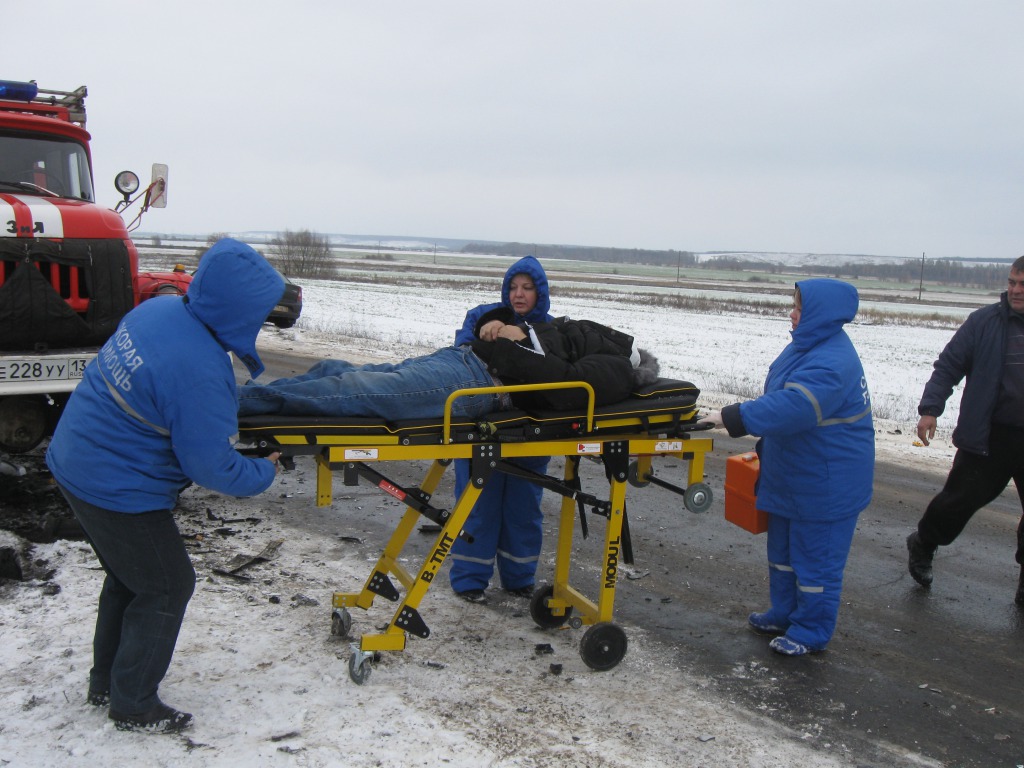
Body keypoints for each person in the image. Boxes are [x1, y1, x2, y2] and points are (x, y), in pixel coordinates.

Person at [46, 238, 285, 733]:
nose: (260, 323)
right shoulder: (199, 367)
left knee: (131, 578)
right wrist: (266, 471)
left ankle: (107, 682)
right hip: (114, 486)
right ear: (238, 309)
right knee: (168, 585)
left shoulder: (160, 311)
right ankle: (132, 702)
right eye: (258, 313)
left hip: (76, 460)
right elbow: (212, 467)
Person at [700, 279, 874, 656]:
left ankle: (811, 630)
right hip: (793, 474)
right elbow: (778, 397)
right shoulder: (803, 347)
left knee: (816, 564)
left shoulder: (833, 361)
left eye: (799, 308)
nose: (791, 314)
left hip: (826, 483)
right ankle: (784, 612)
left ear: (819, 315)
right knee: (782, 554)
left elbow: (794, 406)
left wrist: (731, 417)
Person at [237, 311, 658, 419]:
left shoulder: (618, 367)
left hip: (479, 381)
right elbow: (543, 348)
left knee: (359, 390)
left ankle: (237, 403)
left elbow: (566, 388)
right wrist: (506, 327)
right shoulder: (583, 335)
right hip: (464, 362)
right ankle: (239, 399)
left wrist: (517, 346)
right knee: (344, 374)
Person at [907, 255, 1024, 606]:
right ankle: (924, 541)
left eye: (1023, 285)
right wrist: (930, 409)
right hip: (990, 435)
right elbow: (949, 366)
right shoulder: (984, 323)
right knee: (958, 502)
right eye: (1012, 283)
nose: (1016, 291)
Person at [448, 257, 553, 604]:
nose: (519, 294)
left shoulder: (550, 329)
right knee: (477, 505)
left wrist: (526, 336)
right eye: (513, 287)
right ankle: (469, 581)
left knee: (524, 509)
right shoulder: (482, 314)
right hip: (482, 430)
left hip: (529, 431)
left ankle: (520, 578)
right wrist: (487, 333)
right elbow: (460, 359)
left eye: (527, 288)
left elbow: (556, 371)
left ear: (541, 293)